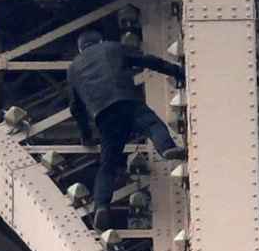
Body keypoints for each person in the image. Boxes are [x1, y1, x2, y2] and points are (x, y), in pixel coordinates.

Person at [68, 30, 187, 230]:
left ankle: (101, 206)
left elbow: (76, 107)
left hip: (103, 116)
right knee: (152, 124)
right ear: (100, 40)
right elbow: (146, 60)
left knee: (108, 165)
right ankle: (166, 148)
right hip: (126, 101)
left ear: (80, 49)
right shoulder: (112, 47)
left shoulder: (72, 69)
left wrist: (86, 135)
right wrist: (176, 71)